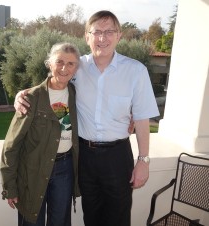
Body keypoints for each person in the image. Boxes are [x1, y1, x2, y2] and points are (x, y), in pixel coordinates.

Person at [14, 10, 160, 226]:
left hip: (118, 157)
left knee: (119, 216)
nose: (103, 38)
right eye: (97, 32)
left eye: (109, 31)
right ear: (87, 37)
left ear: (119, 36)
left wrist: (144, 161)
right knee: (90, 215)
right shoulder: (76, 67)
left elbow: (141, 119)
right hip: (84, 157)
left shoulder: (135, 71)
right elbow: (52, 83)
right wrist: (22, 94)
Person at [0, 42, 81, 226]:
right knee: (31, 220)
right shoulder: (32, 98)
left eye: (70, 64)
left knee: (60, 221)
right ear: (49, 64)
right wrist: (10, 187)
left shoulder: (76, 94)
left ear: (76, 69)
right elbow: (11, 146)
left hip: (65, 168)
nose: (64, 68)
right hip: (33, 169)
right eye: (59, 61)